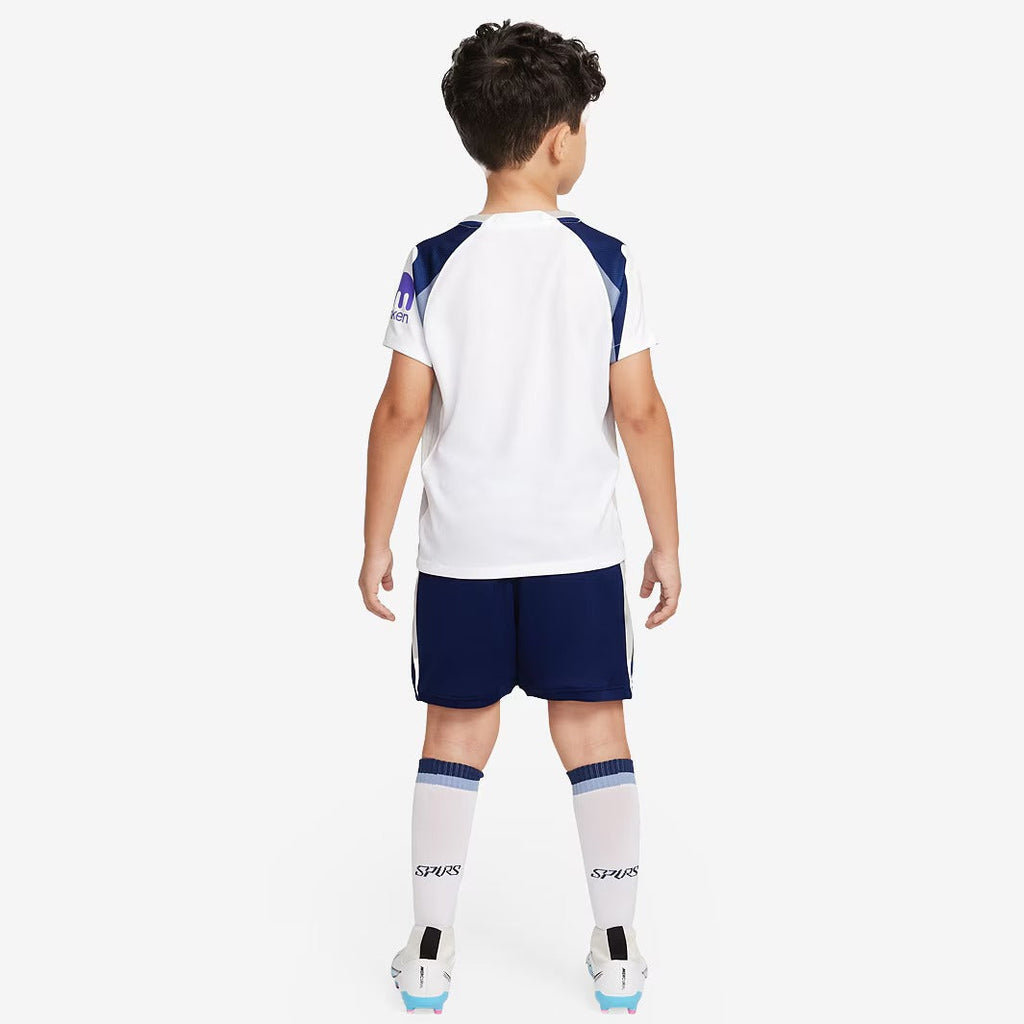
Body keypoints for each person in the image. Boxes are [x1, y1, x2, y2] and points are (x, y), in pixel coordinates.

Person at [359, 19, 680, 1015]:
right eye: (582, 125)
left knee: (455, 732)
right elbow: (640, 411)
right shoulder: (608, 260)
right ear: (557, 140)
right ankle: (617, 946)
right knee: (594, 729)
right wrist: (668, 539)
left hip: (461, 553)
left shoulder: (431, 261)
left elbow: (400, 411)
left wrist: (374, 538)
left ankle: (428, 946)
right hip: (575, 551)